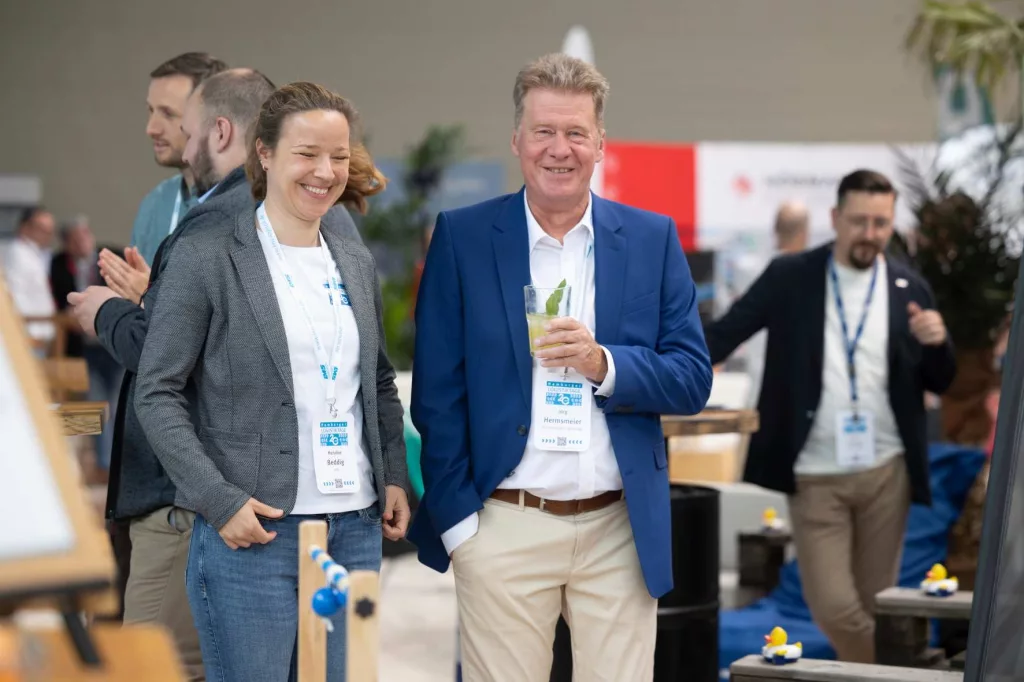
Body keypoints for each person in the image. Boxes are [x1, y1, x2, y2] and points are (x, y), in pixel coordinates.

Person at [408, 53, 713, 681]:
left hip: (619, 531)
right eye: (543, 131)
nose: (559, 149)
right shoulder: (463, 238)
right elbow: (437, 392)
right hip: (503, 525)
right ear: (517, 140)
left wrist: (605, 363)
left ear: (600, 143)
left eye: (576, 132)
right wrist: (463, 528)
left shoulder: (651, 239)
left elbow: (691, 378)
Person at [133, 82, 410, 682]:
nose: (325, 172)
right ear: (264, 152)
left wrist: (392, 473)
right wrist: (218, 499)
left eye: (339, 156)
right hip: (253, 533)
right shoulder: (209, 255)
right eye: (307, 154)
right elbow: (156, 391)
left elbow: (377, 380)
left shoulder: (352, 258)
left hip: (353, 530)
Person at [704, 169, 956, 663]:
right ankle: (899, 670)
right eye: (859, 221)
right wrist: (652, 360)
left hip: (886, 471)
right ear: (836, 217)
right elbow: (724, 334)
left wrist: (938, 342)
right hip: (815, 473)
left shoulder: (909, 288)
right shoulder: (791, 277)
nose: (870, 234)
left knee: (876, 602)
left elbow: (940, 380)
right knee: (834, 607)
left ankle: (878, 672)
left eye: (881, 223)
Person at [129, 52, 228, 266]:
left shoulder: (251, 207)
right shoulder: (154, 205)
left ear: (213, 121)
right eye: (151, 111)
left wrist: (150, 287)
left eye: (168, 113)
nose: (151, 129)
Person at [3, 206, 56, 348]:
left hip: (42, 334)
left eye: (50, 230)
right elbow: (15, 295)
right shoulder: (17, 254)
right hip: (29, 335)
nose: (47, 235)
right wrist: (27, 332)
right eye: (42, 229)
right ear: (25, 228)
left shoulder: (38, 254)